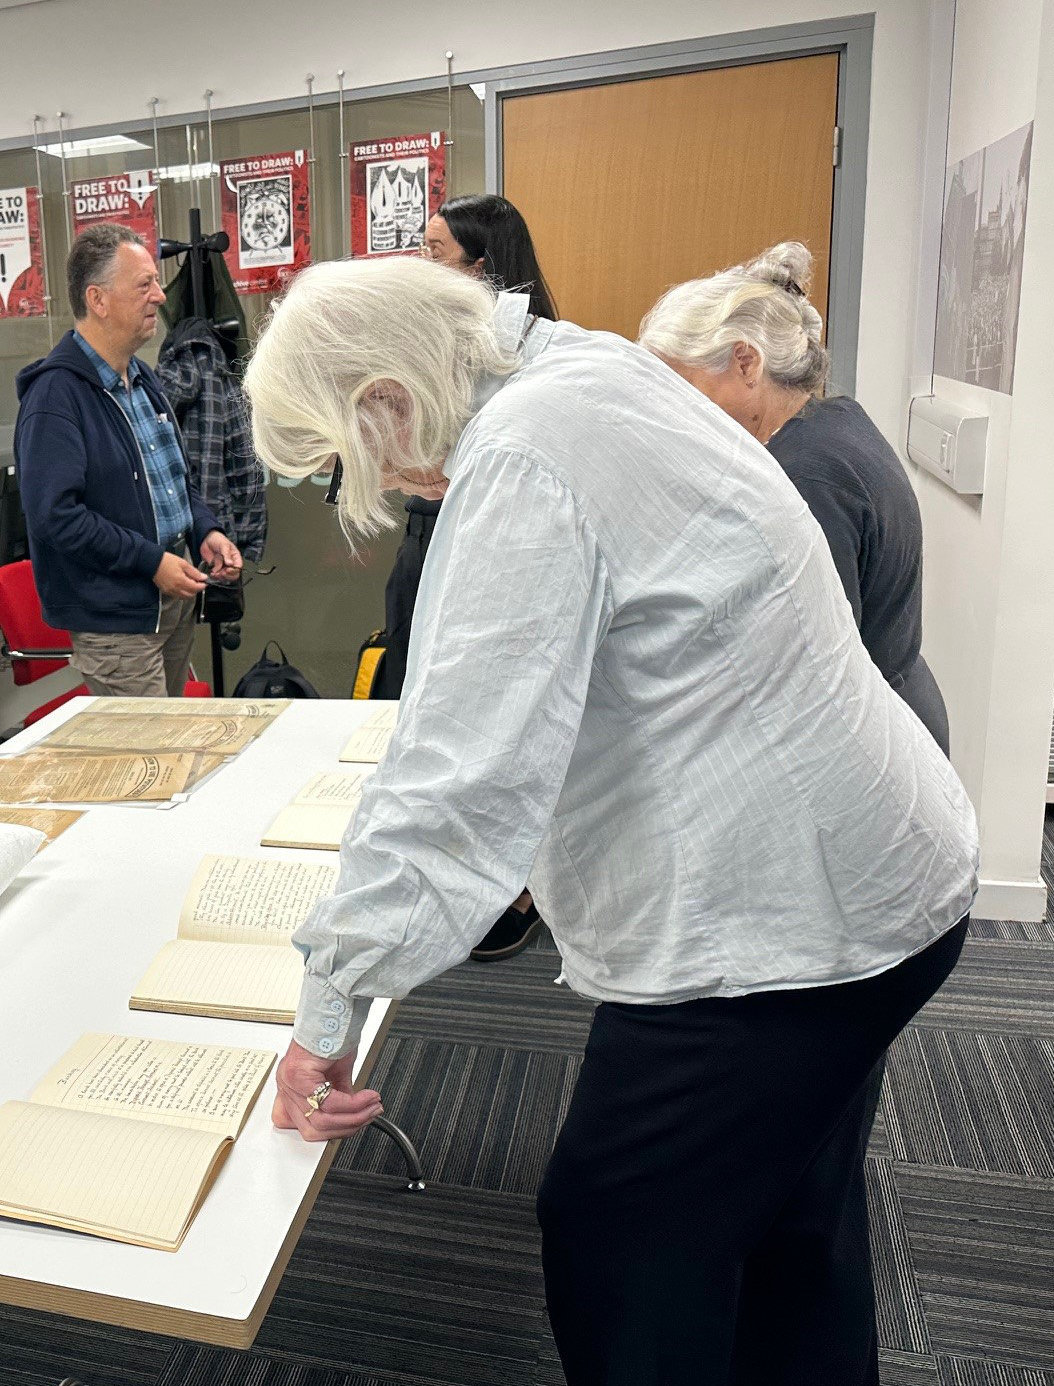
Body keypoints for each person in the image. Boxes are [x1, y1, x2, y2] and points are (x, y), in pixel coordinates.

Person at [245, 255, 975, 1385]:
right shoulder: (587, 368)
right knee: (791, 1222)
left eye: (352, 451)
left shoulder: (525, 453)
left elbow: (455, 780)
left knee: (616, 1235)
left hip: (791, 933)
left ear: (387, 397)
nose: (383, 484)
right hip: (882, 875)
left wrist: (326, 1010)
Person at [639, 242, 949, 751]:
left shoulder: (807, 476)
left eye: (684, 389)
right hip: (893, 700)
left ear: (745, 362)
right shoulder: (831, 419)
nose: (677, 414)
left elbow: (811, 669)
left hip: (873, 739)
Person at [375, 192, 559, 961]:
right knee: (412, 691)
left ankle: (512, 888)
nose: (422, 264)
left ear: (481, 270)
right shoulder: (442, 345)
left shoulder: (524, 358)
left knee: (486, 705)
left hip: (485, 542)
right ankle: (446, 879)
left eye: (436, 252)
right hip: (428, 536)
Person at [14, 222, 242, 697]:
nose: (160, 296)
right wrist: (149, 560)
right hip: (117, 618)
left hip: (168, 600)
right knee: (148, 756)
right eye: (145, 284)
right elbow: (55, 516)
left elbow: (176, 481)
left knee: (170, 744)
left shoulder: (141, 378)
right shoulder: (55, 397)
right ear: (97, 300)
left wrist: (206, 529)